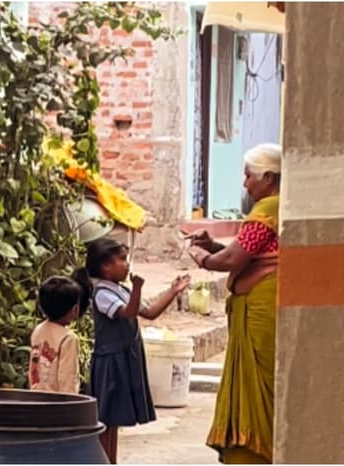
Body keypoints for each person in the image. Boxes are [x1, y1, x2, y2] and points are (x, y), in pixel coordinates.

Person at [186, 143, 281, 464]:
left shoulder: (268, 208)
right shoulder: (276, 208)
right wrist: (213, 244)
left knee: (260, 380)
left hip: (261, 306)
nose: (245, 184)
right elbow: (250, 248)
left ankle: (256, 452)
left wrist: (202, 257)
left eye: (249, 176)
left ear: (268, 178)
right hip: (261, 300)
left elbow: (234, 258)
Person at [74, 238, 190, 464]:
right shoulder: (102, 294)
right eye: (122, 260)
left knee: (114, 419)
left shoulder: (121, 289)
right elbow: (127, 313)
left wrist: (172, 291)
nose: (127, 264)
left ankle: (111, 460)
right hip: (110, 361)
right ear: (106, 267)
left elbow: (150, 312)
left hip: (125, 358)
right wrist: (137, 288)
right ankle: (104, 461)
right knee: (106, 419)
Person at [28, 276, 84, 394]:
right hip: (58, 405)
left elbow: (34, 370)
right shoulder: (68, 338)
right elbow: (68, 378)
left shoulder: (38, 331)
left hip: (37, 399)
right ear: (75, 309)